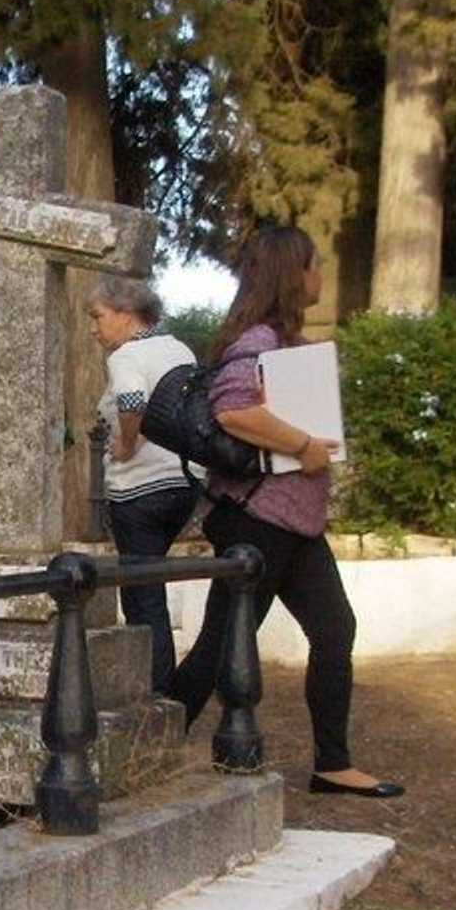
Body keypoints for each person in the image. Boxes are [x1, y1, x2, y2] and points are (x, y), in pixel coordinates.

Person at [166, 225, 403, 799]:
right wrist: (303, 445)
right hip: (259, 521)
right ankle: (142, 753)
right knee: (220, 646)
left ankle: (333, 763)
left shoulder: (280, 341)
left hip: (292, 523)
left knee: (333, 629)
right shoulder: (260, 341)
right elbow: (231, 411)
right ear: (291, 274)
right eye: (314, 264)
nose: (321, 274)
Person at [89, 275, 201, 691]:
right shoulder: (179, 349)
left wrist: (128, 442)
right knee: (151, 586)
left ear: (125, 313)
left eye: (98, 316)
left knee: (142, 595)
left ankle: (156, 694)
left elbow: (132, 401)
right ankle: (162, 686)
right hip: (183, 482)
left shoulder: (125, 356)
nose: (93, 327)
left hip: (139, 489)